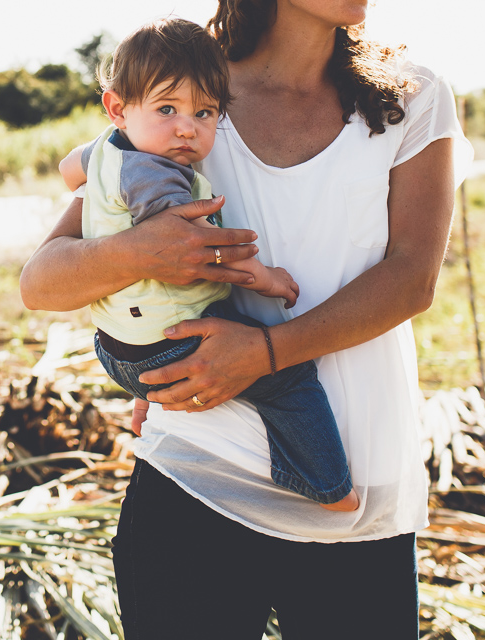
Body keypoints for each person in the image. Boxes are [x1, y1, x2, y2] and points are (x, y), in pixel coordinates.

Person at [19, 0, 472, 637]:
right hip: (197, 477)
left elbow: (411, 281)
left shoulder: (413, 97)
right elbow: (41, 281)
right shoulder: (189, 93)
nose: (190, 122)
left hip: (356, 490)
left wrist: (266, 352)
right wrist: (138, 254)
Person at [63, 18, 359, 512]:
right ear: (117, 108)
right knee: (290, 379)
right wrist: (267, 279)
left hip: (114, 347)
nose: (186, 127)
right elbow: (200, 252)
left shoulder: (109, 150)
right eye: (166, 108)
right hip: (164, 347)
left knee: (162, 314)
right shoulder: (157, 177)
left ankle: (146, 396)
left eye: (204, 113)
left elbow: (66, 167)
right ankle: (328, 485)